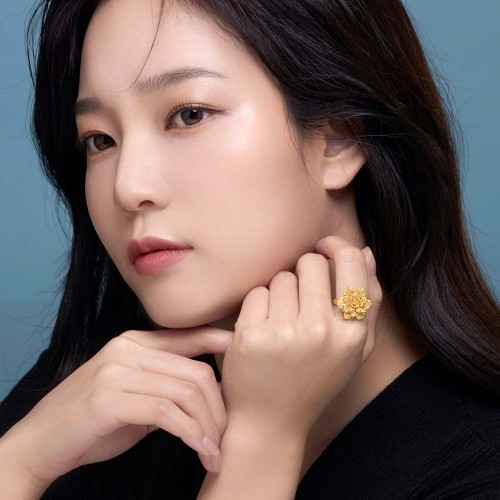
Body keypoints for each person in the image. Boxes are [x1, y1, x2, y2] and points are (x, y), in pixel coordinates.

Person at [1, 0, 499, 498]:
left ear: (341, 135)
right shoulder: (100, 393)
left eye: (189, 115)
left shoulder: (478, 464)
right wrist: (24, 456)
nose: (128, 188)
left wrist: (261, 439)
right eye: (99, 140)